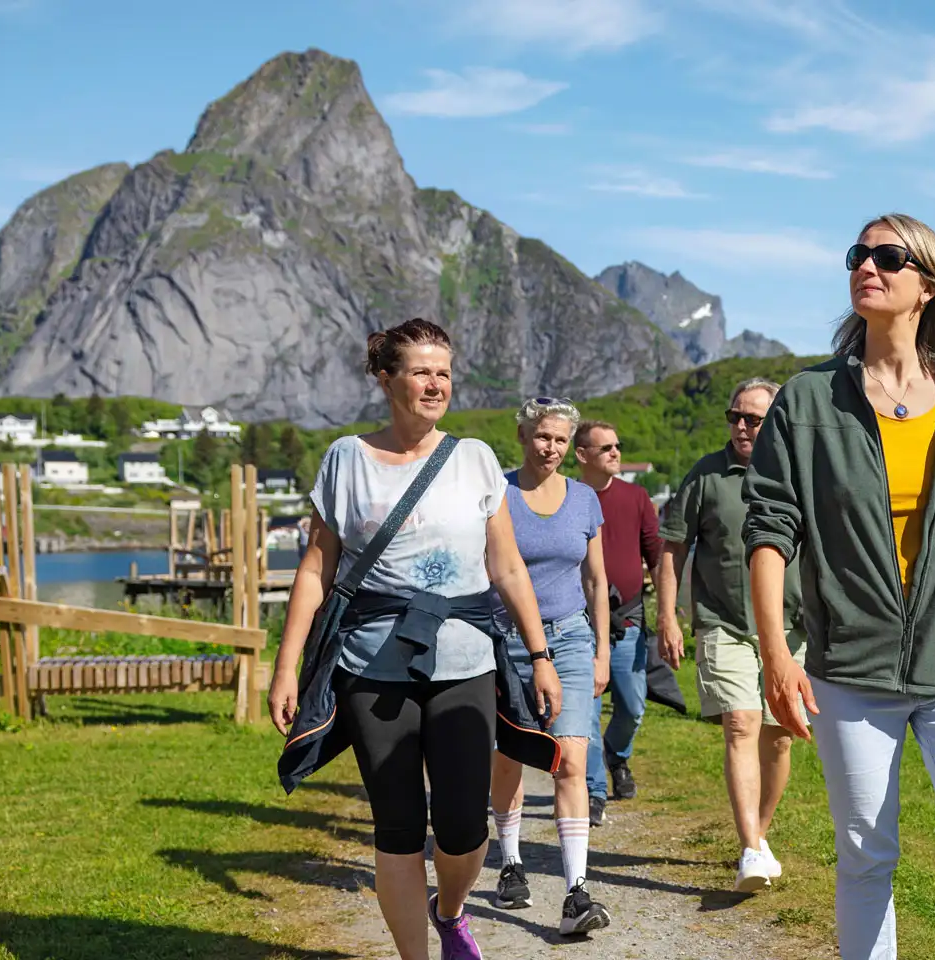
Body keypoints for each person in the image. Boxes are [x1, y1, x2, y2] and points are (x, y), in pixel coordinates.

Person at [742, 214, 935, 960]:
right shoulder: (808, 400)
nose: (866, 267)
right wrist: (777, 655)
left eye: (888, 256)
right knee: (866, 861)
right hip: (851, 666)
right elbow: (770, 530)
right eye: (858, 254)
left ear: (928, 285)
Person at [268, 318, 561, 960]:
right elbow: (317, 567)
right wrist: (287, 667)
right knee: (397, 825)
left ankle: (450, 911)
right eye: (422, 371)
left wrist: (539, 656)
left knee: (462, 826)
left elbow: (506, 567)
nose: (437, 384)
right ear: (385, 378)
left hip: (464, 660)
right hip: (372, 663)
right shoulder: (346, 458)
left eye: (445, 373)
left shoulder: (476, 458)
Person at [656, 377, 804, 892]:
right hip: (724, 623)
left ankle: (758, 837)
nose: (741, 426)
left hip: (790, 629)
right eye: (734, 416)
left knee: (780, 737)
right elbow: (672, 546)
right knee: (740, 724)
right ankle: (749, 850)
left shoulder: (800, 471)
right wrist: (668, 615)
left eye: (753, 419)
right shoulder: (707, 475)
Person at [487, 397, 614, 935]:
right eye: (543, 436)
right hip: (506, 641)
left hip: (569, 640)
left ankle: (576, 891)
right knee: (509, 761)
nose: (552, 448)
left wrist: (602, 649)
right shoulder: (498, 492)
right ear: (523, 434)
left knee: (571, 762)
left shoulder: (584, 499)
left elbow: (595, 580)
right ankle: (511, 861)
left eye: (561, 439)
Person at [573, 420, 661, 822]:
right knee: (586, 715)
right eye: (605, 447)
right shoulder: (566, 496)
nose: (615, 452)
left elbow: (657, 556)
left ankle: (617, 755)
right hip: (578, 624)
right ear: (582, 455)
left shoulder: (637, 496)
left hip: (627, 623)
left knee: (633, 707)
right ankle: (593, 791)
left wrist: (666, 611)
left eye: (617, 445)